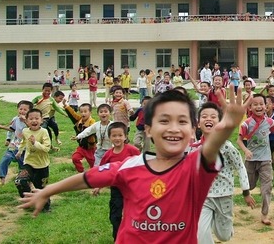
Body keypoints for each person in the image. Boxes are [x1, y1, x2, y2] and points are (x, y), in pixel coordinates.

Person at [19, 87, 248, 244]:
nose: (173, 128)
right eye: (164, 121)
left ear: (192, 131)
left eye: (182, 121)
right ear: (148, 129)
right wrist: (48, 190)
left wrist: (227, 125)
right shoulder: (129, 167)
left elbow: (211, 149)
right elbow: (87, 178)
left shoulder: (193, 168)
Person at [192, 102, 256, 244]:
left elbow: (240, 166)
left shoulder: (227, 147)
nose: (208, 119)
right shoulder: (193, 148)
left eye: (213, 116)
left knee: (224, 236)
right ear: (198, 123)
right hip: (203, 197)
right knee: (201, 233)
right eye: (204, 116)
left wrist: (246, 192)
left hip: (224, 195)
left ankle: (221, 224)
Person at [238, 94, 274, 225]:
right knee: (249, 185)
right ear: (250, 107)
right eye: (255, 104)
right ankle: (246, 194)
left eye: (261, 104)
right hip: (251, 160)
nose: (259, 106)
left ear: (266, 106)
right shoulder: (246, 124)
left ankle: (264, 214)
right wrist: (246, 150)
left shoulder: (269, 122)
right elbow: (239, 140)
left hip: (266, 160)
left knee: (266, 188)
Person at [93, 122, 140, 240]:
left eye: (120, 135)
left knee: (135, 215)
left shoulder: (133, 151)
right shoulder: (108, 155)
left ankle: (136, 237)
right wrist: (98, 186)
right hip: (116, 189)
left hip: (133, 188)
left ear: (125, 136)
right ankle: (118, 238)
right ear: (110, 137)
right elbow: (102, 172)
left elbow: (142, 166)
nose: (117, 138)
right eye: (114, 135)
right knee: (115, 216)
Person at [15, 108, 52, 211]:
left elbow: (46, 148)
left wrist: (35, 142)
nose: (34, 121)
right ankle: (28, 201)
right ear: (26, 121)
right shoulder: (25, 131)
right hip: (28, 163)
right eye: (31, 119)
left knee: (41, 188)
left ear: (41, 120)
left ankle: (46, 207)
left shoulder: (44, 132)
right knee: (20, 181)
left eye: (37, 118)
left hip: (42, 165)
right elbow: (23, 141)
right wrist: (19, 151)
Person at [0, 100, 32, 185]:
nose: (22, 111)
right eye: (20, 109)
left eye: (25, 110)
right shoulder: (15, 119)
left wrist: (26, 121)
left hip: (25, 148)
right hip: (14, 145)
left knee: (23, 166)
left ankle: (26, 181)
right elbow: (12, 129)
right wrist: (4, 130)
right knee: (4, 160)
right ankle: (2, 179)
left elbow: (32, 130)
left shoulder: (31, 120)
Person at [62, 102, 97, 172]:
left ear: (90, 113)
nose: (83, 113)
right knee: (75, 158)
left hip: (91, 148)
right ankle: (81, 172)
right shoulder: (79, 120)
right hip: (81, 147)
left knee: (93, 165)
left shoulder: (92, 123)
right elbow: (72, 114)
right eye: (81, 112)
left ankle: (94, 175)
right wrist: (66, 106)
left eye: (85, 111)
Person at [31, 84, 66, 148]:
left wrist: (64, 114)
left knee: (55, 126)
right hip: (40, 118)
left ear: (51, 91)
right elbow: (31, 103)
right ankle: (43, 144)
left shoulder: (51, 99)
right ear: (42, 89)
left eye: (49, 91)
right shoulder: (38, 98)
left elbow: (57, 108)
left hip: (48, 118)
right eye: (45, 90)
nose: (47, 92)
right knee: (45, 131)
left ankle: (56, 138)